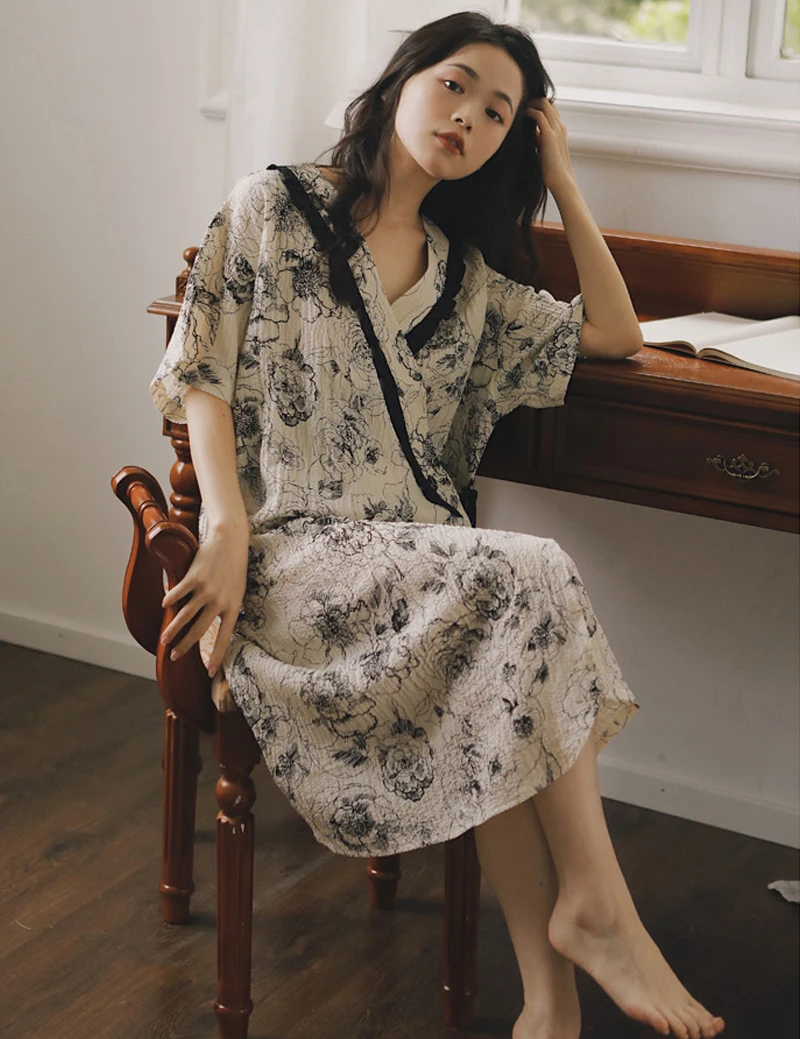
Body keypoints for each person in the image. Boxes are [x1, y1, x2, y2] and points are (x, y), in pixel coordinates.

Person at [149, 11, 725, 1039]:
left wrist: (565, 179)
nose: (468, 116)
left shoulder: (469, 285)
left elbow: (616, 331)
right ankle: (596, 911)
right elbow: (202, 373)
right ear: (401, 80)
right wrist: (226, 525)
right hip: (292, 565)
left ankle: (548, 1004)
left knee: (505, 658)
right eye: (455, 84)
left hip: (420, 577)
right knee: (528, 576)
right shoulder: (274, 207)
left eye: (498, 113)